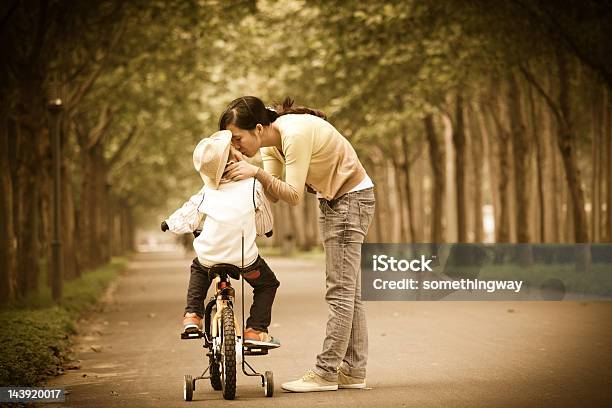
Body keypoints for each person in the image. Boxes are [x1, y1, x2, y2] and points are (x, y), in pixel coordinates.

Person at [220, 96, 375, 392]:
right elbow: (274, 194)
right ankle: (354, 371)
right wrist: (244, 173)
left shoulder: (294, 133)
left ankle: (326, 372)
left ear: (258, 128)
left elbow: (292, 195)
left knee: (340, 291)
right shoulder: (270, 144)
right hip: (335, 201)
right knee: (349, 293)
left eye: (237, 139)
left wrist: (255, 172)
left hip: (350, 200)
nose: (236, 146)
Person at [162, 130, 280, 348]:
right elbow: (263, 216)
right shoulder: (253, 185)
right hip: (245, 260)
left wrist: (169, 224)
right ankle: (255, 330)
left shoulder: (208, 190)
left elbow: (189, 214)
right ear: (235, 157)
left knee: (199, 268)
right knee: (267, 285)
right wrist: (266, 230)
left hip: (210, 256)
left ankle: (192, 316)